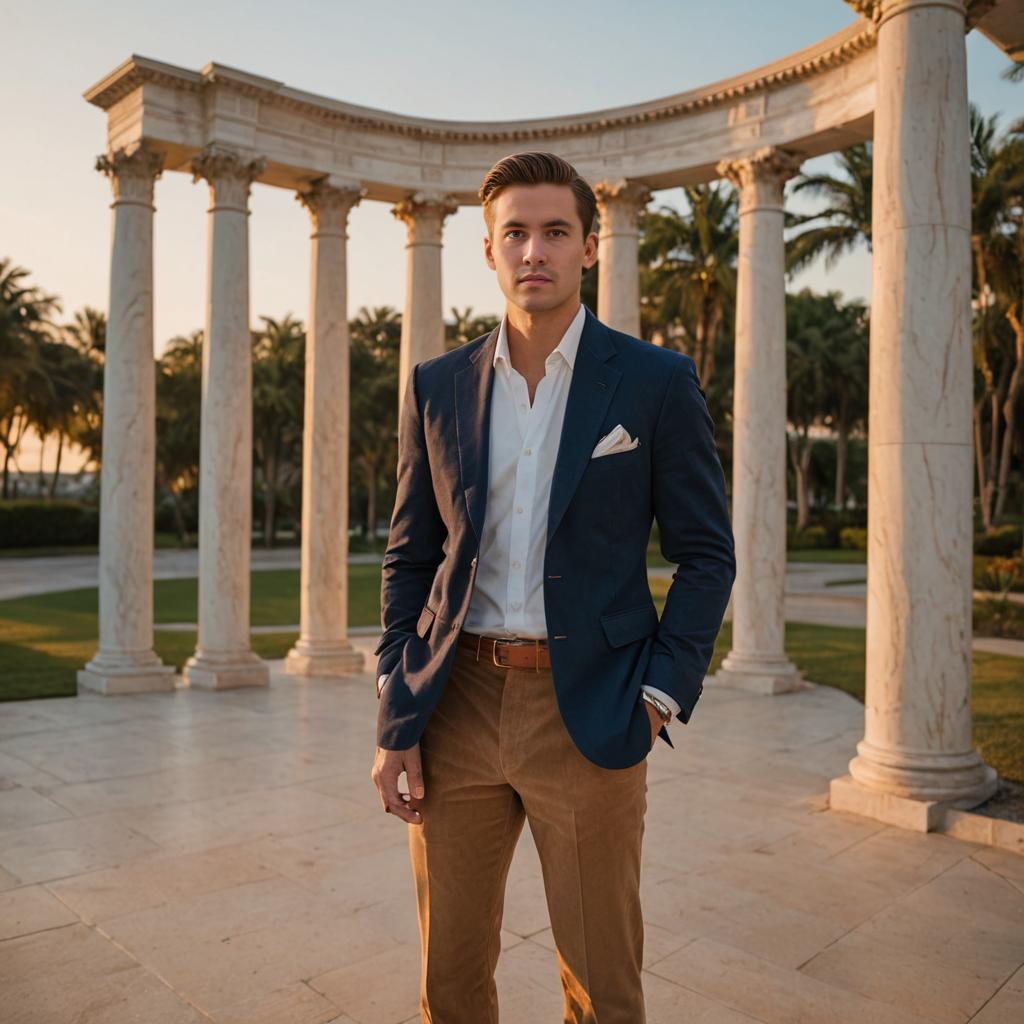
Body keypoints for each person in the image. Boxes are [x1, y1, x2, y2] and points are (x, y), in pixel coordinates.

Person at [370, 150, 735, 1023]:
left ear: (590, 247)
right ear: (490, 252)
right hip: (454, 706)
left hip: (594, 712)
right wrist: (397, 712)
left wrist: (658, 693)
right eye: (516, 234)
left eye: (555, 232)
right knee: (449, 983)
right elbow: (409, 559)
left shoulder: (654, 381)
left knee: (603, 986)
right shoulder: (436, 385)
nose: (535, 251)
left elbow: (706, 553)